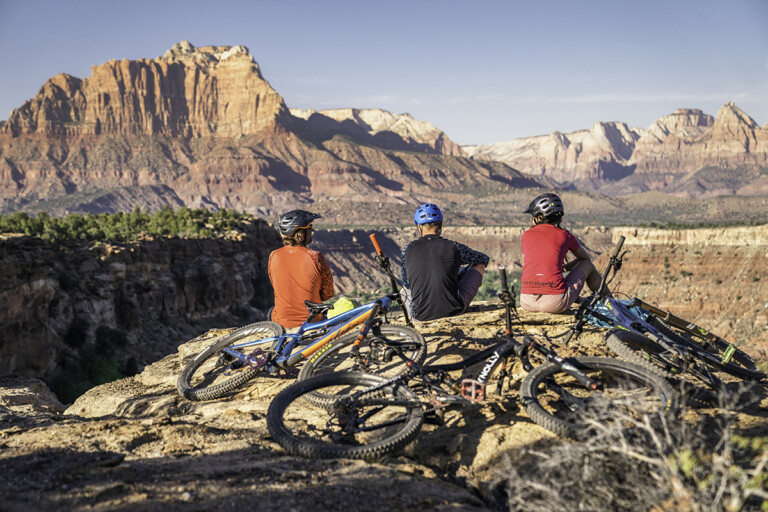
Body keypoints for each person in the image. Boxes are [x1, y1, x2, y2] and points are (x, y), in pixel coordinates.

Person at [401, 203, 489, 322]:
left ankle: (415, 318)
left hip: (421, 315)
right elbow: (483, 259)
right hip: (453, 311)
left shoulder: (406, 250)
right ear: (440, 225)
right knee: (479, 266)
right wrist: (459, 275)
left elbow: (407, 284)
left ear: (419, 227)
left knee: (403, 291)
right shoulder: (455, 247)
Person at [520, 193, 606, 313]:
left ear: (539, 217)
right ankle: (611, 302)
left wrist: (560, 269)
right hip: (555, 303)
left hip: (526, 301)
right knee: (587, 265)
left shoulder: (526, 235)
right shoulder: (564, 235)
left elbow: (533, 264)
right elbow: (585, 259)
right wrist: (564, 269)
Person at [268, 209, 334, 328]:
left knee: (272, 311)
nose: (312, 231)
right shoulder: (316, 257)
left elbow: (277, 288)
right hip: (311, 321)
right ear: (300, 232)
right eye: (310, 227)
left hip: (281, 322)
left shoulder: (273, 256)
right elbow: (328, 293)